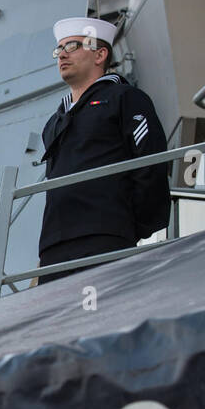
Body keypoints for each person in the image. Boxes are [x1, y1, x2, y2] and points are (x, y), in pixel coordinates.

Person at [37, 17, 170, 282]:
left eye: (73, 46)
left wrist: (132, 226)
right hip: (55, 243)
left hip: (104, 236)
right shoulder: (55, 120)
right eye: (59, 49)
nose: (62, 54)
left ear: (100, 54)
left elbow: (150, 164)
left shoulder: (124, 99)